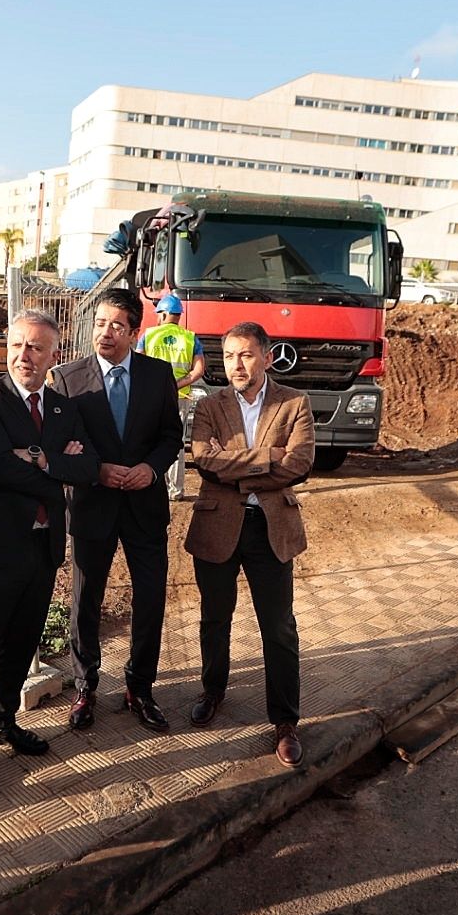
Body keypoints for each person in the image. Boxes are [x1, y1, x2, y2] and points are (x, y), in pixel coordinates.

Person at [0, 310, 96, 796]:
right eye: (16, 345)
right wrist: (57, 464)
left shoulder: (61, 406)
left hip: (42, 544)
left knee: (22, 643)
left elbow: (88, 467)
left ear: (55, 354)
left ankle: (1, 720)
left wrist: (35, 458)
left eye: (35, 347)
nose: (23, 356)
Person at [50, 287, 183, 732]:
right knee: (86, 598)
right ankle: (86, 686)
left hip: (144, 505)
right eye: (100, 324)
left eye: (116, 326)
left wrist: (150, 467)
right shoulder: (68, 378)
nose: (105, 333)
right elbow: (64, 445)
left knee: (150, 597)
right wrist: (97, 470)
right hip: (93, 505)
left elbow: (170, 434)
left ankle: (140, 688)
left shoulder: (158, 375)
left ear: (134, 331)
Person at [185, 322, 316, 766]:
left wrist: (234, 467)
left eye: (245, 355)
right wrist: (268, 459)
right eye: (229, 356)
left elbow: (298, 464)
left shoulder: (294, 403)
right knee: (214, 618)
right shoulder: (209, 405)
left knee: (278, 627)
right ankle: (213, 691)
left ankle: (285, 721)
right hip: (218, 526)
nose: (236, 365)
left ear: (266, 356)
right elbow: (203, 460)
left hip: (271, 529)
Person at [136, 292, 205, 501]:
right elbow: (198, 370)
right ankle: (175, 490)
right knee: (176, 442)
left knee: (149, 439)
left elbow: (137, 365)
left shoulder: (148, 335)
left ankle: (152, 482)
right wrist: (175, 385)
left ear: (163, 314)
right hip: (180, 397)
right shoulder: (191, 338)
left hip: (151, 397)